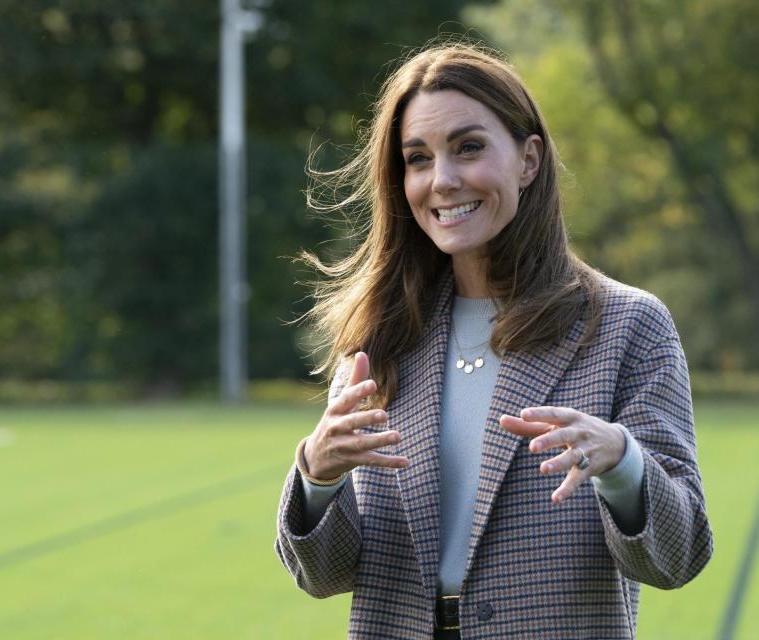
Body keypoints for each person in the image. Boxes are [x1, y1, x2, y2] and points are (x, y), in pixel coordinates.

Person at [274, 42, 712, 640]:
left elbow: (678, 554)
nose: (444, 180)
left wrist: (621, 460)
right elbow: (324, 576)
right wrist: (317, 479)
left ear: (529, 159)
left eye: (469, 148)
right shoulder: (381, 335)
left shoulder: (627, 325)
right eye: (418, 158)